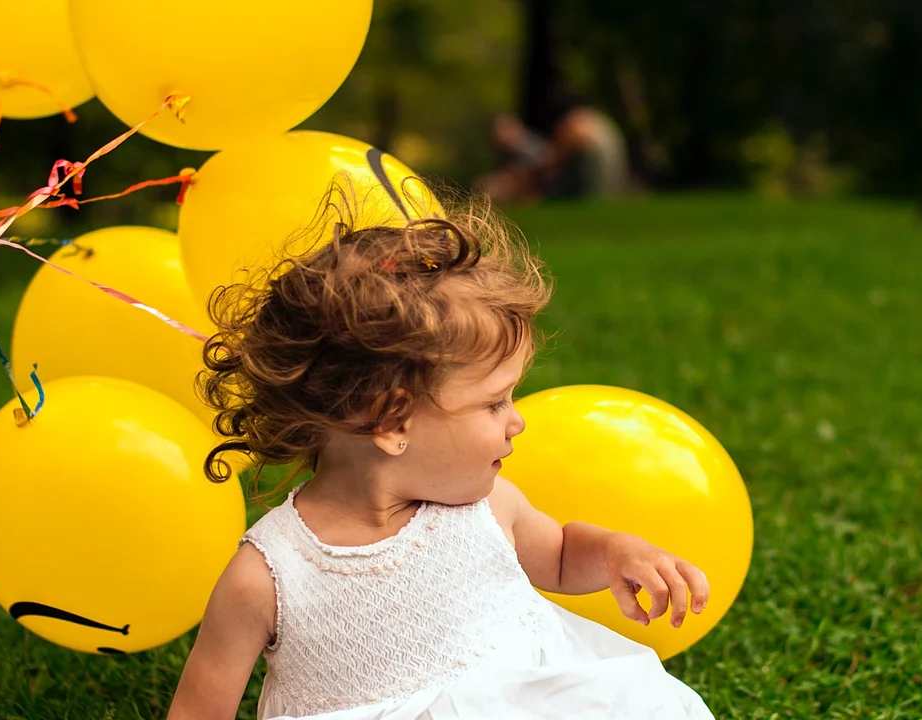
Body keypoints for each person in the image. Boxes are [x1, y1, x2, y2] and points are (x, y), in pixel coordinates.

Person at [166, 192, 715, 720]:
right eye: (494, 402)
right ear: (391, 421)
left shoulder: (486, 508)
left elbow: (562, 554)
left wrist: (620, 552)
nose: (516, 420)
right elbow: (198, 710)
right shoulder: (268, 577)